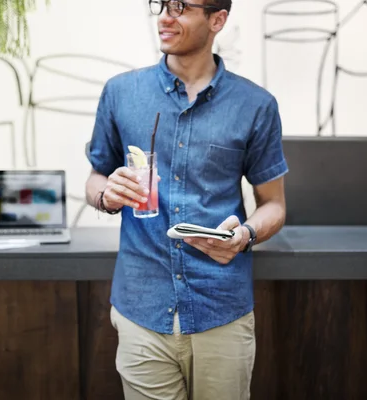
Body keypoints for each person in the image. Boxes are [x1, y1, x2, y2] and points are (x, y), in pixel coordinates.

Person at [85, 0, 288, 398]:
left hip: (221, 309)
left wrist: (244, 235)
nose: (164, 16)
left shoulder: (256, 105)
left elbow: (275, 205)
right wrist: (106, 195)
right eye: (160, 4)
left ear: (217, 19)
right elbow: (94, 178)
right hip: (141, 307)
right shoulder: (121, 93)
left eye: (180, 6)